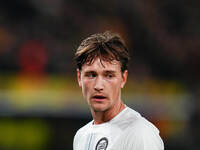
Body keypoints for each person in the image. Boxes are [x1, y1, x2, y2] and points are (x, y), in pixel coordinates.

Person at [73, 31, 164, 150]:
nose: (99, 86)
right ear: (79, 78)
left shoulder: (140, 134)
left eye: (109, 75)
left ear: (123, 79)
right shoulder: (81, 136)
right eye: (91, 75)